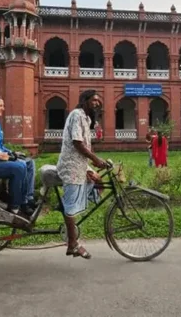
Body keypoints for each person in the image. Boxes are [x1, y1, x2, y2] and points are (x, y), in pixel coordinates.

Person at [56, 89, 107, 259]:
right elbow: (77, 143)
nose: (97, 103)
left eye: (98, 101)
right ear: (84, 100)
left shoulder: (86, 118)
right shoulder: (77, 115)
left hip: (80, 165)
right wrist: (95, 159)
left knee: (96, 183)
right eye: (93, 100)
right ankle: (73, 244)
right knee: (71, 208)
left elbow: (85, 145)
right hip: (71, 166)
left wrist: (92, 165)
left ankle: (65, 206)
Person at [0, 95, 36, 213]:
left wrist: (12, 152)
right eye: (0, 106)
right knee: (21, 165)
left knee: (30, 162)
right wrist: (8, 155)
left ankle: (29, 198)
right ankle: (18, 203)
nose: (3, 108)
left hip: (1, 155)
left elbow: (0, 145)